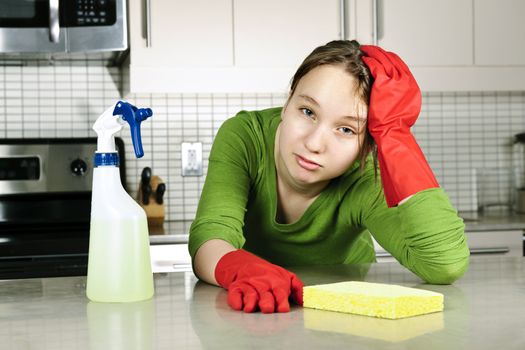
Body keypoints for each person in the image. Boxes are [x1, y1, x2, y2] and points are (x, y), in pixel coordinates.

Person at [188, 40, 470, 314]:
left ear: (367, 144)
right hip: (256, 312)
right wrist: (240, 268)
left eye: (346, 130)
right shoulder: (245, 136)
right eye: (307, 111)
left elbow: (445, 264)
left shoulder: (365, 176)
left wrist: (396, 136)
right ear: (287, 102)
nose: (314, 143)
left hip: (346, 314)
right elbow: (210, 237)